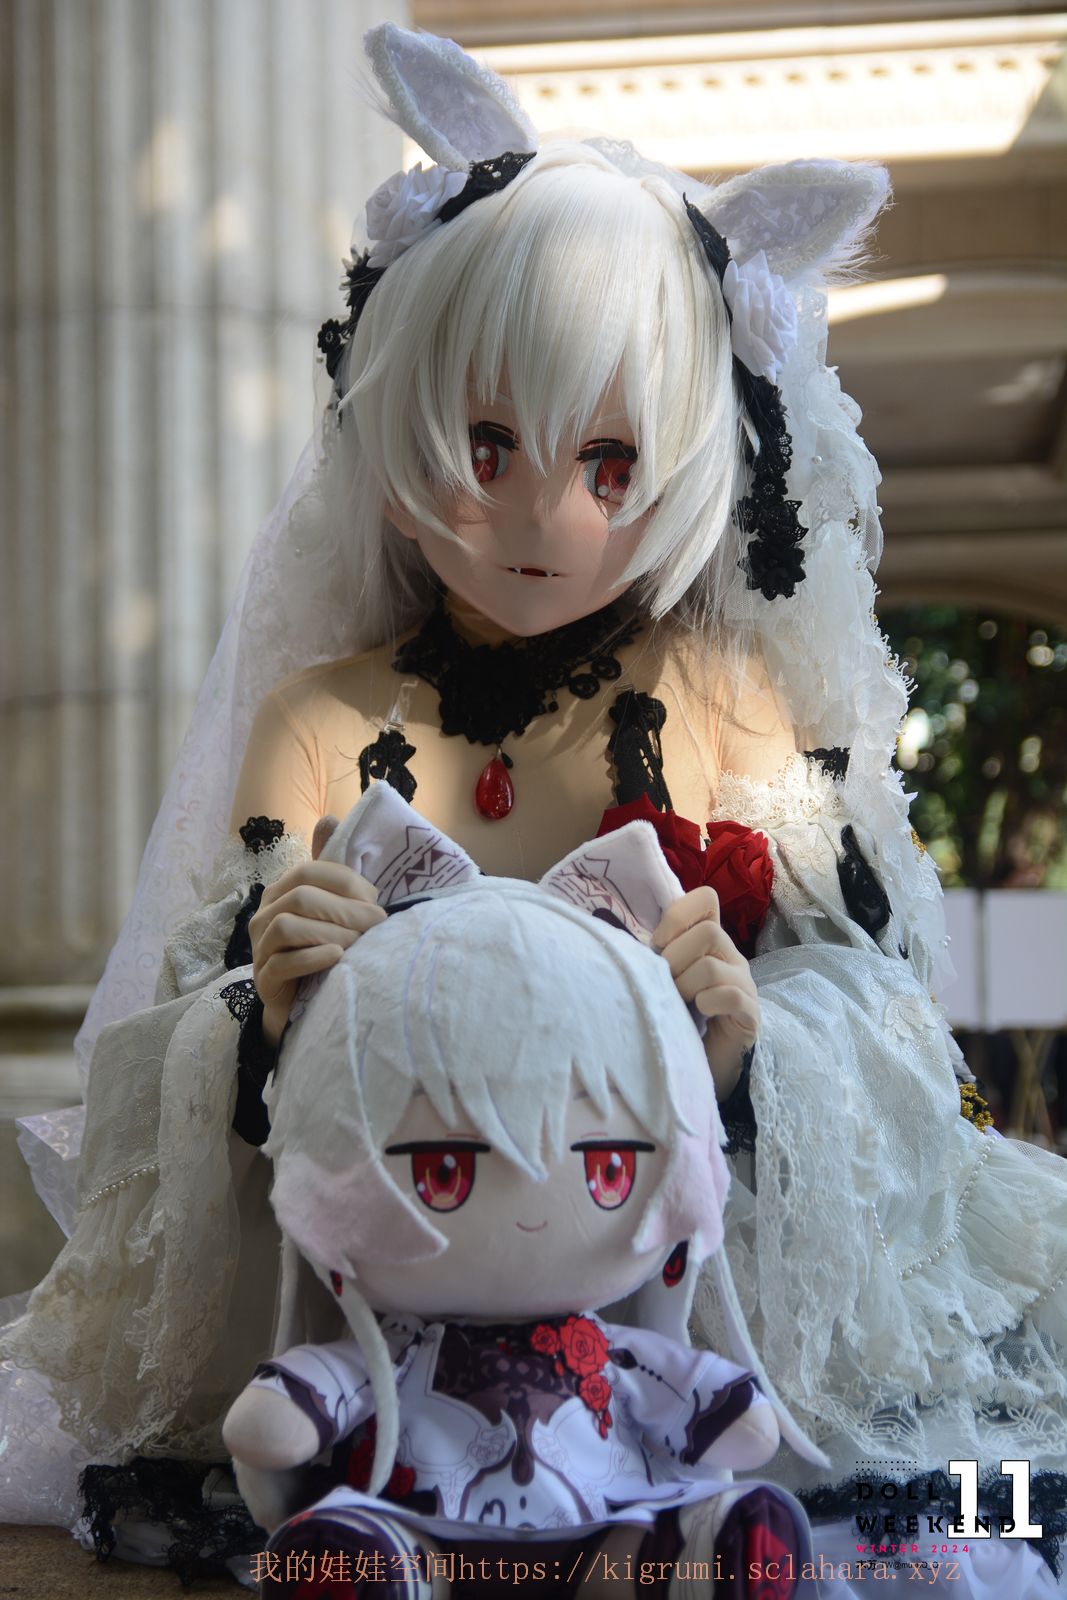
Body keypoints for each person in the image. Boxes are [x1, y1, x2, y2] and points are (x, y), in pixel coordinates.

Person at [2, 24, 1064, 1598]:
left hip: (673, 1320)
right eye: (484, 444)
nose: (535, 510)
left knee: (919, 1524)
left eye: (609, 461)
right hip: (381, 1316)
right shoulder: (316, 722)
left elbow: (889, 1029)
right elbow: (181, 1033)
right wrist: (265, 1011)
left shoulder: (726, 700)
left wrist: (750, 1038)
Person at [224, 791, 822, 1599]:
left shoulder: (610, 1350)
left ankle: (693, 1560)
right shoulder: (395, 1357)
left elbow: (727, 1417)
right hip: (422, 1516)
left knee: (673, 1551)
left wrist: (716, 1060)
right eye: (445, 1171)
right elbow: (284, 1415)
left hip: (603, 1520)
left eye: (606, 1170)